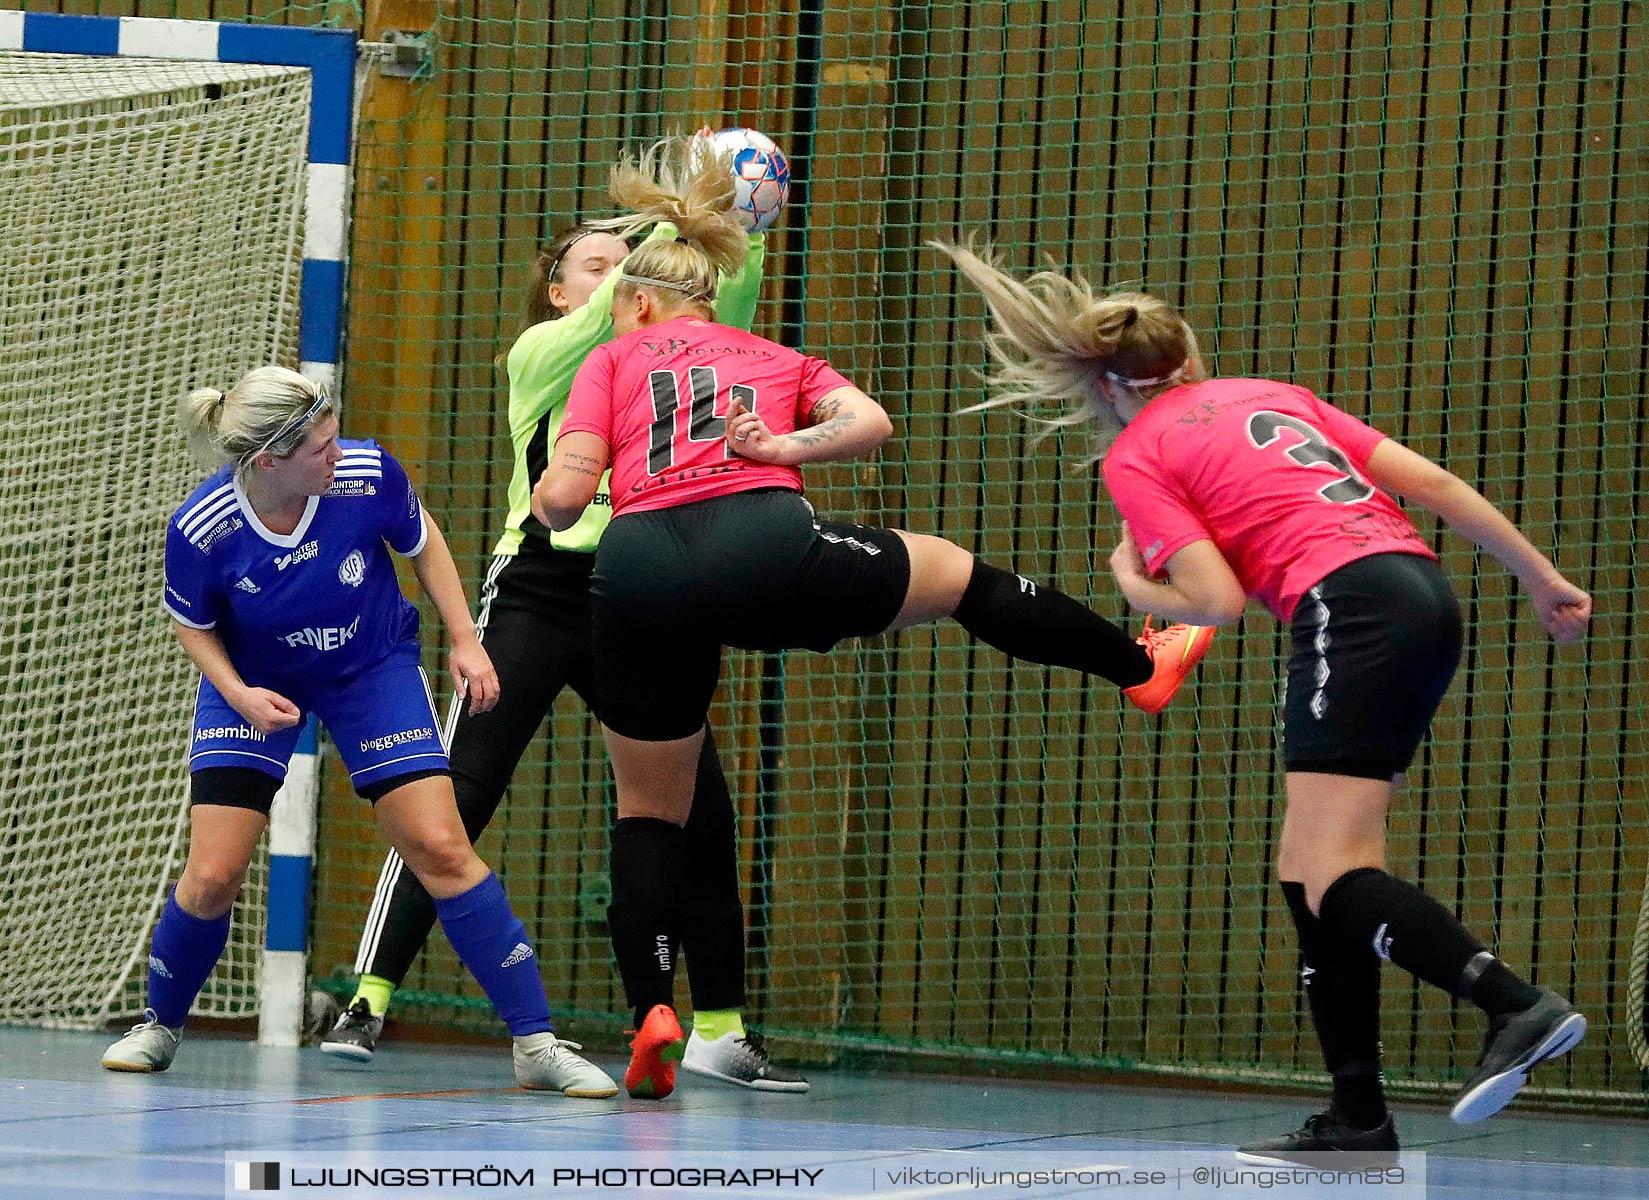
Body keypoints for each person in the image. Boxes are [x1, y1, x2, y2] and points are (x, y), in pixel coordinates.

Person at [530, 139, 1216, 1101]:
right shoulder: (770, 355)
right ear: (702, 297)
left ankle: (652, 1012)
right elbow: (871, 423)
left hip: (637, 568)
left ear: (638, 301)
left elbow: (562, 498)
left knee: (649, 808)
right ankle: (1138, 665)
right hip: (758, 542)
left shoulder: (607, 360)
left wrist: (568, 497)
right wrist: (778, 442)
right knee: (958, 577)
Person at [933, 240, 1593, 1162]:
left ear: (1111, 383)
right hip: (1419, 596)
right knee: (1308, 867)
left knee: (1332, 872)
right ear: (1190, 356)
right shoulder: (1273, 396)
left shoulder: (1137, 454)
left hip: (1347, 611)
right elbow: (1432, 486)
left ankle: (1515, 1005)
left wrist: (1133, 584)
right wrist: (1540, 576)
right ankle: (1356, 1114)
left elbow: (1211, 602)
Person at [321, 139, 807, 1093]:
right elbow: (633, 295)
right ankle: (370, 994)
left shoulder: (687, 339)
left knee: (697, 809)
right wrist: (675, 214)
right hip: (540, 589)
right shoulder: (546, 352)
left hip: (647, 588)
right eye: (596, 261)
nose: (624, 269)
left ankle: (714, 1028)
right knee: (457, 792)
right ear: (564, 293)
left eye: (629, 263)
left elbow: (717, 296)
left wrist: (725, 230)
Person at [101, 366, 617, 1099]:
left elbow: (423, 539)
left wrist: (465, 637)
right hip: (256, 686)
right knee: (213, 874)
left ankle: (535, 1041)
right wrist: (239, 693)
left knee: (440, 846)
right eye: (319, 445)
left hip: (368, 669)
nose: (337, 452)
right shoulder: (201, 527)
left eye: (335, 434)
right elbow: (193, 622)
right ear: (267, 462)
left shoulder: (366, 474)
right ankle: (159, 1023)